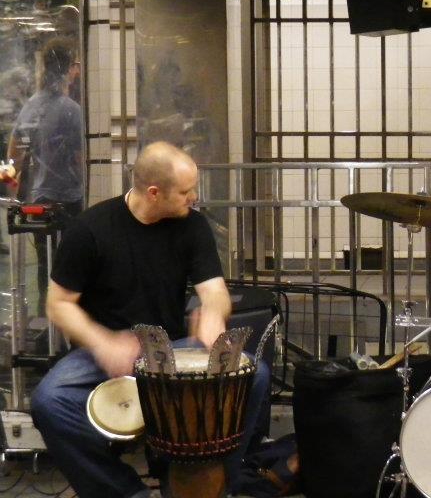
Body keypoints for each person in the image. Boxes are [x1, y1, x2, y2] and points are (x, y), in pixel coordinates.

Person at [31, 141, 270, 498]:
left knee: (254, 375)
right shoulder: (91, 229)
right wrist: (103, 342)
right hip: (104, 353)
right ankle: (125, 492)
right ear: (154, 192)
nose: (194, 198)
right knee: (48, 402)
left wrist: (213, 314)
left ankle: (214, 488)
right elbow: (58, 304)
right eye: (186, 192)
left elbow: (214, 291)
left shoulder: (192, 226)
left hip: (170, 347)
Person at [7, 37, 85, 303]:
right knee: (70, 269)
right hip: (69, 201)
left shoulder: (31, 106)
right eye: (75, 65)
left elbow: (13, 155)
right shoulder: (72, 111)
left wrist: (10, 188)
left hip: (38, 200)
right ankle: (66, 323)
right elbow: (80, 160)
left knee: (45, 265)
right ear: (68, 69)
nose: (77, 71)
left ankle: (45, 313)